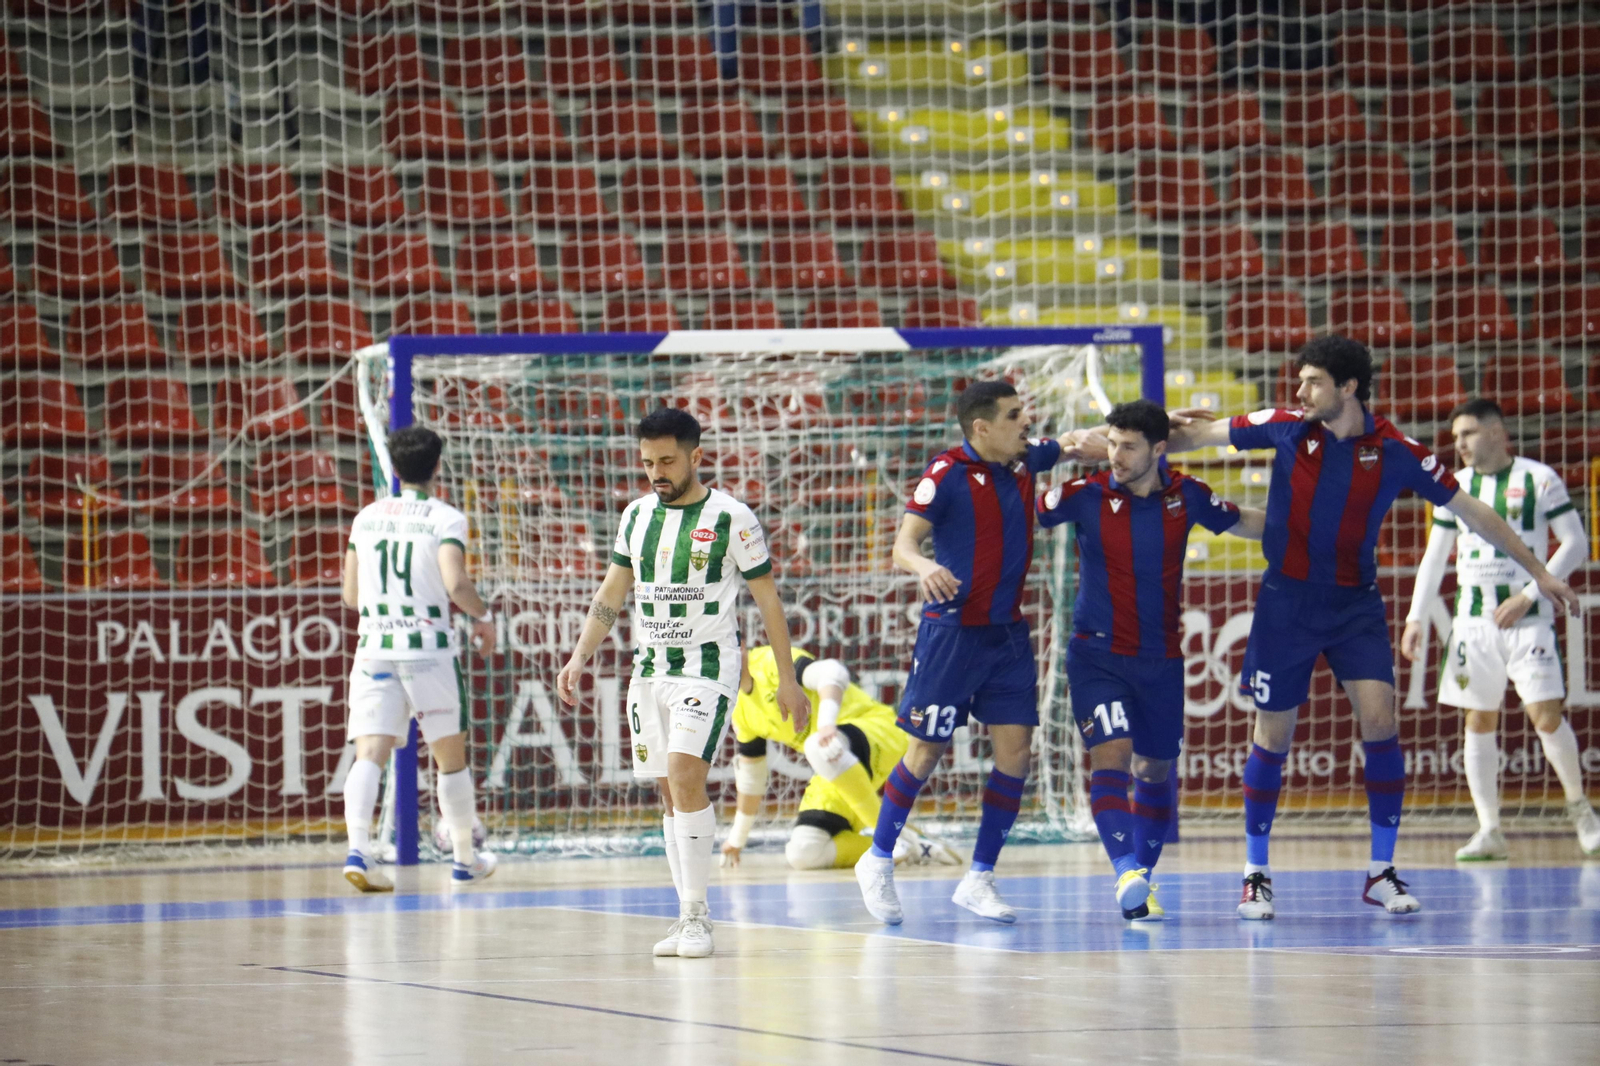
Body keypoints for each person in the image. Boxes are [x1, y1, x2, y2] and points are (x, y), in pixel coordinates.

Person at [1159, 337, 1579, 919]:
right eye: (1300, 381)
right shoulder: (1286, 426)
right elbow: (1196, 436)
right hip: (1287, 602)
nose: (1300, 391)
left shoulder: (1398, 451)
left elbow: (1475, 513)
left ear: (1348, 387)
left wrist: (1540, 572)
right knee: (1271, 737)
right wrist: (1151, 426)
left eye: (1313, 382)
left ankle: (1381, 872)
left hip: (1355, 605)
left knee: (1381, 724)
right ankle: (1256, 874)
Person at [556, 408, 808, 959]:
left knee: (685, 773)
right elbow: (612, 592)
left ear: (696, 456)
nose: (657, 473)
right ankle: (683, 913)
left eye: (667, 461)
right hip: (650, 670)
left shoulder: (732, 517)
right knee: (669, 794)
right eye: (648, 463)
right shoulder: (636, 516)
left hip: (707, 667)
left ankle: (698, 916)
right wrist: (579, 656)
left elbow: (768, 601)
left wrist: (787, 679)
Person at [855, 380, 1092, 926]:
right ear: (982, 428)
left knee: (1017, 755)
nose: (1025, 423)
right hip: (952, 636)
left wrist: (1151, 427)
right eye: (1014, 415)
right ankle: (879, 858)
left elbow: (1076, 441)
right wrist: (925, 566)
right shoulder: (946, 474)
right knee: (925, 753)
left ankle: (979, 877)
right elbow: (903, 545)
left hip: (1006, 636)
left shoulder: (1025, 459)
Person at [1039, 400, 1265, 920]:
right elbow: (1022, 483)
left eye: (1128, 446)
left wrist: (1302, 529)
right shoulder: (1084, 494)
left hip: (1160, 660)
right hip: (1096, 655)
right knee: (1112, 756)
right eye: (1111, 443)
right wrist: (1074, 444)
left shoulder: (1188, 496)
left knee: (1155, 768)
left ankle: (1143, 876)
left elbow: (1243, 521)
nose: (1115, 456)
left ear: (1159, 448)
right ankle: (1126, 872)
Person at [1400, 399, 1598, 860]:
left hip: (1529, 619)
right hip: (1473, 623)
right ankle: (1489, 829)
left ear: (1495, 432)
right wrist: (1415, 616)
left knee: (1545, 717)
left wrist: (1528, 595)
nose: (1459, 444)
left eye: (1467, 433)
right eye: (1455, 437)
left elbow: (1576, 543)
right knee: (1478, 719)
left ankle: (1582, 812)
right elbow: (1434, 556)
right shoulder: (1455, 486)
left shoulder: (1538, 478)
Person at [340, 425, 499, 892]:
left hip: (374, 646)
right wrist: (484, 616)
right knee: (450, 758)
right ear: (437, 467)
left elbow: (351, 595)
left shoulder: (366, 518)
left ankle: (358, 850)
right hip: (426, 649)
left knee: (369, 753)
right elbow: (456, 584)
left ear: (393, 467)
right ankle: (464, 860)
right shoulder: (445, 518)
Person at [720, 645, 961, 872]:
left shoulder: (771, 662)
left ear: (740, 646)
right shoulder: (739, 711)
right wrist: (736, 838)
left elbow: (832, 672)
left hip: (878, 733)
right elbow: (752, 779)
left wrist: (826, 724)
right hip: (836, 762)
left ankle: (892, 837)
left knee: (817, 746)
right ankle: (911, 847)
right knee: (804, 853)